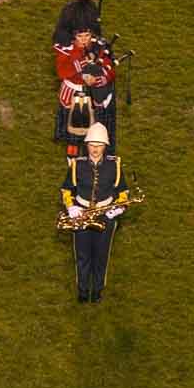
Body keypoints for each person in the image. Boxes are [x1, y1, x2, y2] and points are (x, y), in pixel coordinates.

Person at [60, 123, 128, 303]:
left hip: (105, 215)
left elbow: (123, 192)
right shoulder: (77, 165)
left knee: (101, 256)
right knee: (82, 256)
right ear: (87, 145)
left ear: (105, 146)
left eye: (99, 146)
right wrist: (71, 207)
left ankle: (97, 290)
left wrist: (118, 208)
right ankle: (83, 291)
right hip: (81, 214)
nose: (95, 149)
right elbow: (67, 190)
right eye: (92, 145)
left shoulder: (115, 165)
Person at [53, 0, 116, 157]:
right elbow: (62, 71)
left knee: (95, 128)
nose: (84, 39)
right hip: (72, 93)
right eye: (80, 36)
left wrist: (100, 79)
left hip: (93, 93)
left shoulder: (99, 47)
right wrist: (81, 62)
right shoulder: (65, 51)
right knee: (73, 132)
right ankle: (72, 159)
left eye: (87, 35)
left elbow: (110, 69)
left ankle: (92, 156)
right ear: (73, 36)